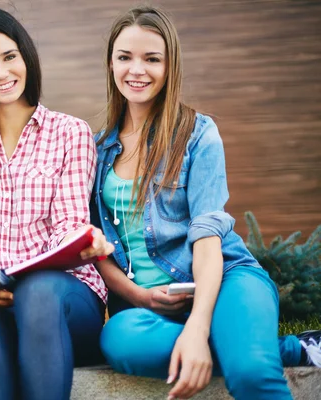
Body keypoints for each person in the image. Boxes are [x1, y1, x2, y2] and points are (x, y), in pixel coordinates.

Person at [92, 5, 321, 400]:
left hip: (227, 278)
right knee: (119, 340)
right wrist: (138, 296)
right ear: (111, 63)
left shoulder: (198, 135)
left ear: (170, 66)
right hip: (152, 307)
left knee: (250, 375)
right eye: (124, 57)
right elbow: (96, 247)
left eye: (152, 59)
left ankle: (244, 350)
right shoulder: (96, 149)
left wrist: (198, 328)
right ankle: (287, 349)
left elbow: (207, 239)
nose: (137, 70)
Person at [0, 8, 114, 400]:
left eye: (9, 57)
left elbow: (70, 220)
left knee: (38, 294)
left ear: (26, 58)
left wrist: (83, 241)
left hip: (65, 297)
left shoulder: (70, 132)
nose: (1, 73)